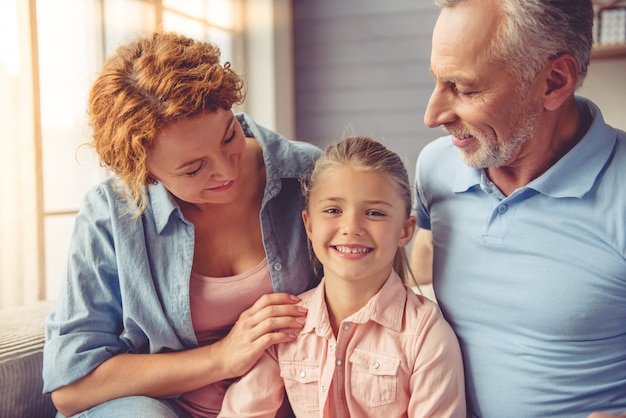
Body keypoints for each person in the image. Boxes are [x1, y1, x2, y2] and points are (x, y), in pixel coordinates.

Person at [42, 31, 322, 418]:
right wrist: (222, 357)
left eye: (229, 136)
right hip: (155, 407)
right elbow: (71, 385)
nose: (227, 171)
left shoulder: (309, 175)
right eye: (193, 168)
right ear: (146, 174)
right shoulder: (111, 213)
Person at [410, 0, 626, 417]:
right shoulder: (435, 168)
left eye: (465, 88)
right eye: (437, 81)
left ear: (554, 82)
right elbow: (423, 266)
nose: (432, 115)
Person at [218, 136, 466, 417]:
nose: (351, 227)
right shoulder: (285, 325)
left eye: (374, 212)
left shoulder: (425, 335)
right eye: (333, 210)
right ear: (309, 224)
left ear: (405, 231)